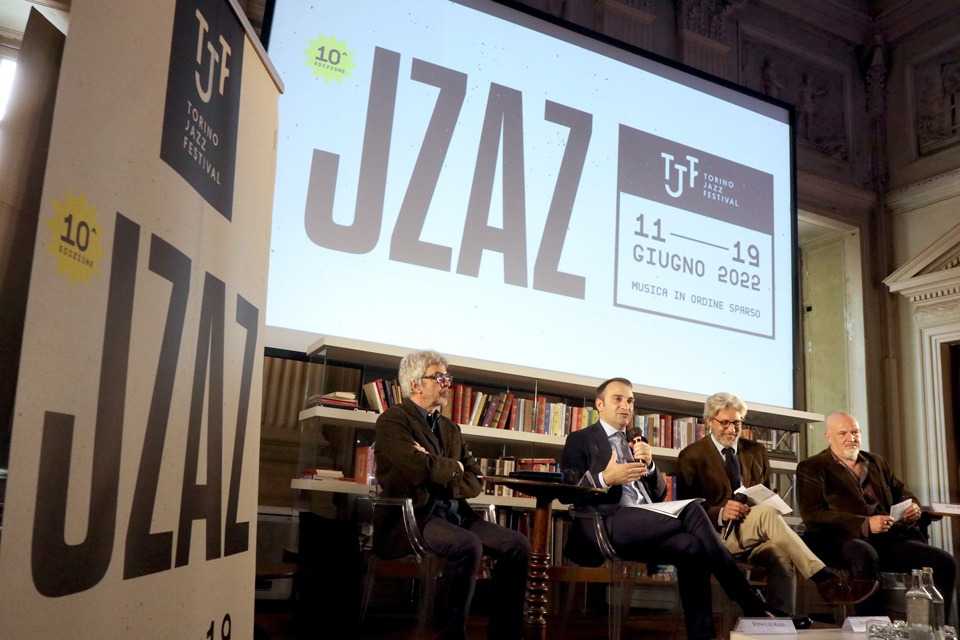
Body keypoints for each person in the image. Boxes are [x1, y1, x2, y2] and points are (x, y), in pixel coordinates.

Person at [559, 377, 811, 640]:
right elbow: (566, 491)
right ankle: (751, 602)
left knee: (692, 546)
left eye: (630, 400)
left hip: (642, 522)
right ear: (600, 404)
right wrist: (605, 478)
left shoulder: (634, 441)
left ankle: (702, 635)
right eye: (618, 399)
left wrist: (651, 466)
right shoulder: (581, 439)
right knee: (692, 509)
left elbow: (659, 493)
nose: (626, 406)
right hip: (606, 521)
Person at [373, 349, 530, 640]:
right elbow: (418, 469)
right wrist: (453, 468)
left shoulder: (450, 428)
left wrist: (441, 467)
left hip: (457, 515)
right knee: (467, 545)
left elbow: (475, 480)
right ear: (415, 384)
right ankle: (451, 635)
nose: (448, 384)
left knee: (517, 544)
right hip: (417, 516)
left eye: (448, 377)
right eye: (439, 377)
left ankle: (506, 635)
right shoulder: (393, 421)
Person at [677, 393, 876, 613]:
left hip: (754, 529)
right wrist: (721, 512)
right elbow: (686, 508)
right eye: (725, 423)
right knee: (766, 514)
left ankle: (782, 620)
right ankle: (822, 576)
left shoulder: (756, 451)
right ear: (709, 422)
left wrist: (770, 499)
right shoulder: (691, 456)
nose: (731, 429)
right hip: (717, 535)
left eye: (737, 423)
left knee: (780, 554)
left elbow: (763, 491)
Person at [797, 411, 958, 617]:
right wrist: (864, 524)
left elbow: (903, 492)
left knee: (944, 562)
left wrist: (913, 507)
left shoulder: (876, 462)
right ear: (828, 437)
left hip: (887, 538)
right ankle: (873, 625)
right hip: (841, 539)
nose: (851, 438)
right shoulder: (812, 467)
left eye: (855, 432)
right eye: (843, 433)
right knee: (864, 553)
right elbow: (812, 514)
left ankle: (935, 627)